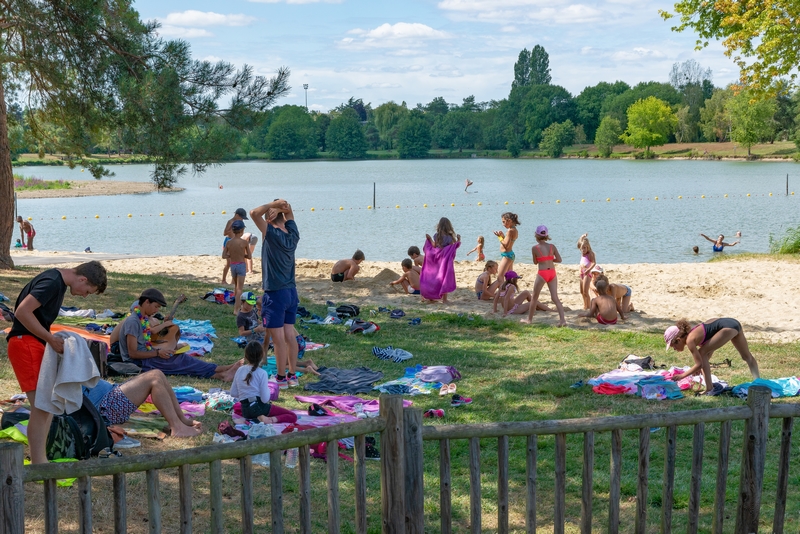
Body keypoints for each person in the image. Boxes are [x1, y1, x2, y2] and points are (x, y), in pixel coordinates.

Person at [6, 261, 107, 464]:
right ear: (82, 279)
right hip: (24, 343)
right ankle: (39, 461)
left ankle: (41, 457)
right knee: (42, 406)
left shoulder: (57, 281)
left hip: (32, 343)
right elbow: (22, 312)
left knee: (47, 406)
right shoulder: (53, 281)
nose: (85, 295)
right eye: (88, 291)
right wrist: (50, 339)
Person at [119, 288, 240, 381]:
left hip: (148, 355)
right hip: (141, 363)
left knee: (180, 357)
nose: (156, 310)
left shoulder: (142, 318)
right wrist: (157, 352)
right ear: (146, 302)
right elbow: (132, 353)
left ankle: (221, 369)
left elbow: (150, 335)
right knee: (181, 361)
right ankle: (221, 373)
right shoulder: (133, 322)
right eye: (156, 306)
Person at [250, 199, 300, 390]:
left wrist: (273, 204)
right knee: (290, 336)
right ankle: (292, 375)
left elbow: (254, 212)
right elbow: (290, 214)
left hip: (275, 293)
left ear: (269, 219)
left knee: (278, 339)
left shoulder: (271, 233)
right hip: (291, 292)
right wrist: (283, 207)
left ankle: (280, 378)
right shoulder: (293, 234)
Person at [84, 370, 202, 437]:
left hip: (110, 393)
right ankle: (177, 428)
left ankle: (181, 419)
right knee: (154, 379)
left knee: (158, 373)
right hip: (105, 407)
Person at [665, 318, 760, 394]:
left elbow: (699, 364)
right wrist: (699, 368)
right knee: (747, 357)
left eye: (673, 346)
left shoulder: (690, 340)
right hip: (734, 323)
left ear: (678, 339)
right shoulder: (695, 334)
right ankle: (759, 383)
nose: (674, 349)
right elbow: (709, 351)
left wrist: (682, 375)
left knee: (702, 353)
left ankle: (709, 388)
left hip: (727, 327)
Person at [231, 342, 299, 424]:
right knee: (292, 416)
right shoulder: (262, 373)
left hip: (245, 410)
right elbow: (265, 399)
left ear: (245, 356)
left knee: (239, 407)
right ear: (262, 356)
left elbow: (233, 393)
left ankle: (253, 419)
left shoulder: (240, 370)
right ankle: (269, 419)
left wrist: (246, 393)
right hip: (259, 407)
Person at [521, 226, 567, 327]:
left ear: (536, 235)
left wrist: (544, 259)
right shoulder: (552, 246)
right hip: (552, 273)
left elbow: (535, 262)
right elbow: (559, 260)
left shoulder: (535, 248)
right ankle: (562, 320)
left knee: (534, 298)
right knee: (555, 298)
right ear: (546, 235)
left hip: (542, 273)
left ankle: (529, 319)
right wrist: (550, 259)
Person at [420, 218, 461, 303]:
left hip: (437, 257)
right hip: (445, 260)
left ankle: (431, 296)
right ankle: (444, 300)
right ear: (448, 226)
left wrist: (430, 239)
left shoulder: (436, 235)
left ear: (439, 225)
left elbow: (434, 245)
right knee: (444, 277)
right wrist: (458, 240)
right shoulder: (449, 237)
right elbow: (451, 248)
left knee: (434, 276)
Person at [223, 220, 251, 315]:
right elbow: (249, 256)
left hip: (233, 265)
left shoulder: (229, 242)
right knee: (240, 288)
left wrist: (231, 256)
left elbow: (224, 255)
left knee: (236, 287)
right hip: (241, 265)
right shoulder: (244, 242)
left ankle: (236, 305)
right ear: (242, 230)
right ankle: (237, 309)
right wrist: (243, 255)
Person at [222, 208, 249, 284]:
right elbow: (224, 233)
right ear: (237, 215)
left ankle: (233, 281)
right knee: (229, 263)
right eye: (241, 217)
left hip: (237, 242)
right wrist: (232, 228)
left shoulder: (240, 221)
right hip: (229, 240)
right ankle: (223, 279)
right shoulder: (230, 222)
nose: (242, 219)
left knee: (236, 261)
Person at [493, 212, 519, 280]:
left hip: (507, 256)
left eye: (504, 222)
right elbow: (509, 242)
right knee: (509, 277)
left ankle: (502, 290)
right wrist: (503, 236)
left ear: (509, 220)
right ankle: (510, 289)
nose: (503, 224)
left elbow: (506, 245)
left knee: (500, 277)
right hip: (509, 255)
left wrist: (499, 237)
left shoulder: (510, 231)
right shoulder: (514, 230)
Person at [576, 233, 596, 310]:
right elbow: (579, 244)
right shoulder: (582, 253)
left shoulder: (590, 254)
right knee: (581, 292)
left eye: (584, 248)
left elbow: (594, 263)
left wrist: (588, 269)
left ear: (587, 247)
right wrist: (581, 237)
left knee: (585, 292)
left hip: (587, 274)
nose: (583, 250)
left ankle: (588, 307)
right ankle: (585, 305)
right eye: (581, 248)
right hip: (581, 273)